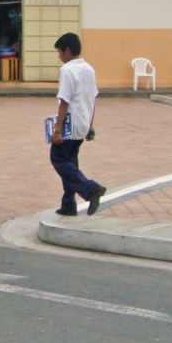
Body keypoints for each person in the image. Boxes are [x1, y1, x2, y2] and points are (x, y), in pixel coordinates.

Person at [51, 33, 106, 216]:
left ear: (67, 51)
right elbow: (93, 98)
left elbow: (64, 101)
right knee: (71, 163)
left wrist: (57, 130)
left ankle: (90, 189)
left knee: (58, 159)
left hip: (70, 125)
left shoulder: (67, 70)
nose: (59, 56)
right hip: (82, 124)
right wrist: (90, 126)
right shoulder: (88, 68)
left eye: (59, 52)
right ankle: (68, 204)